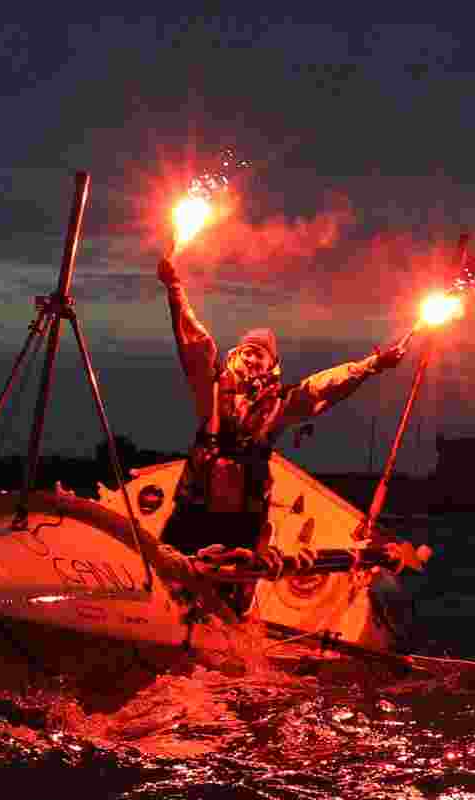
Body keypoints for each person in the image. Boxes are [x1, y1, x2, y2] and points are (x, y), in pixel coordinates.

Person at [157, 253, 414, 597]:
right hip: (194, 508)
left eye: (259, 354)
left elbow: (324, 386)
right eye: (246, 351)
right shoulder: (213, 386)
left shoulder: (281, 404)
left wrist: (372, 364)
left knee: (230, 593)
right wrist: (174, 288)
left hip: (242, 522)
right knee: (167, 576)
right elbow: (194, 344)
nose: (251, 358)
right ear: (234, 355)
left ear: (271, 365)